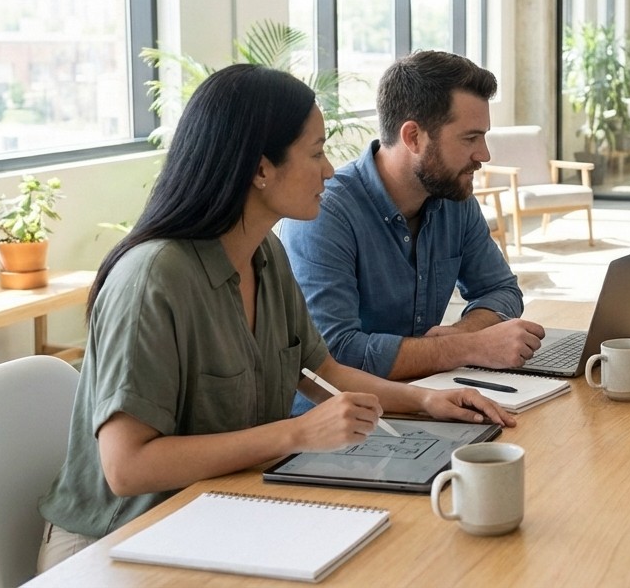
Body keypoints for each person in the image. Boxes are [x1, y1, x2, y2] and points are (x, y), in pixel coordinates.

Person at [36, 65, 513, 571]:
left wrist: (426, 400)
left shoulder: (265, 254)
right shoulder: (153, 279)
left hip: (217, 513)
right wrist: (297, 434)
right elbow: (126, 468)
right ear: (261, 169)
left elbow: (322, 373)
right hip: (116, 541)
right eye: (315, 153)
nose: (330, 170)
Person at [280, 50, 544, 397]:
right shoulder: (326, 213)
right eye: (470, 138)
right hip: (340, 423)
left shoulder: (453, 199)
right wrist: (467, 348)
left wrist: (461, 334)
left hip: (430, 398)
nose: (484, 154)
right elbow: (336, 355)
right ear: (413, 137)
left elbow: (501, 290)